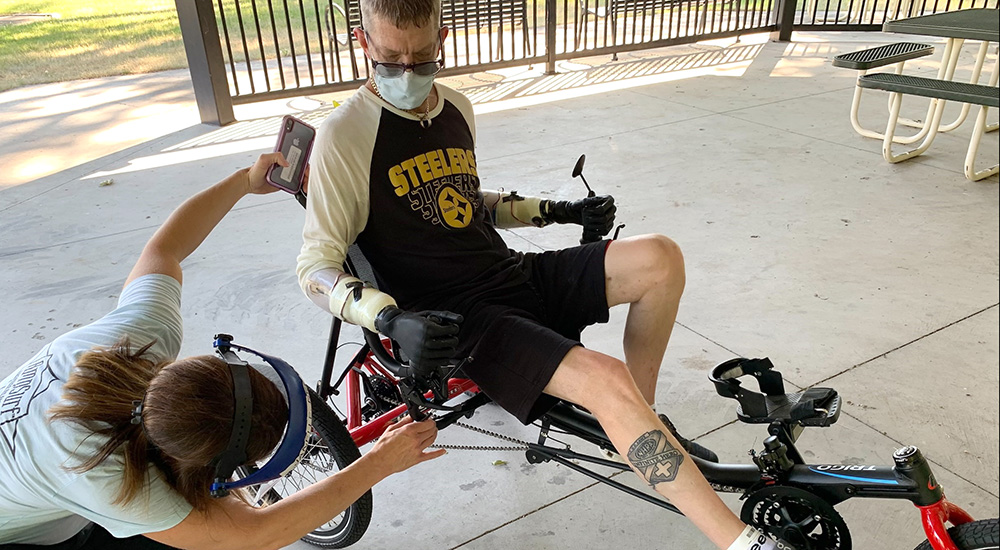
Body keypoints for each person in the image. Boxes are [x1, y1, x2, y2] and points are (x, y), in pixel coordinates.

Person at [295, 1, 790, 549]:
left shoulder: (455, 105)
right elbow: (315, 267)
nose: (409, 72)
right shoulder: (344, 136)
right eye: (391, 58)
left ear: (442, 41)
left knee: (660, 257)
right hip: (458, 318)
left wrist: (556, 211)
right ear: (364, 42)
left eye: (422, 56)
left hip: (508, 273)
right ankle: (743, 542)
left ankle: (633, 424)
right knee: (606, 380)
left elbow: (463, 199)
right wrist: (389, 318)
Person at [0, 153, 445, 550]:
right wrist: (379, 464)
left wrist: (242, 182)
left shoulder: (138, 338)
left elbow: (165, 248)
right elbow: (256, 536)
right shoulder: (115, 482)